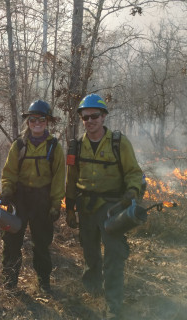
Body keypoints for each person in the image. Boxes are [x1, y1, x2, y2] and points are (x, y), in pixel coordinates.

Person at [65, 94, 143, 319]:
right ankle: (92, 286)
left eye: (95, 116)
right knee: (90, 250)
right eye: (85, 117)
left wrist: (132, 192)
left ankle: (113, 303)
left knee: (114, 255)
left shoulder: (119, 142)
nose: (90, 121)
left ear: (104, 116)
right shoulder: (76, 146)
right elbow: (71, 179)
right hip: (86, 206)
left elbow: (134, 173)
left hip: (113, 208)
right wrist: (70, 207)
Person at [0, 100, 65, 293]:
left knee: (42, 244)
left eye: (41, 120)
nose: (37, 123)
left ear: (47, 122)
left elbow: (59, 177)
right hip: (19, 200)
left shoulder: (54, 147)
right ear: (28, 122)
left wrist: (55, 204)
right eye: (33, 119)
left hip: (42, 200)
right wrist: (7, 192)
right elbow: (9, 172)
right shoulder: (19, 145)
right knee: (12, 242)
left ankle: (43, 282)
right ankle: (9, 283)